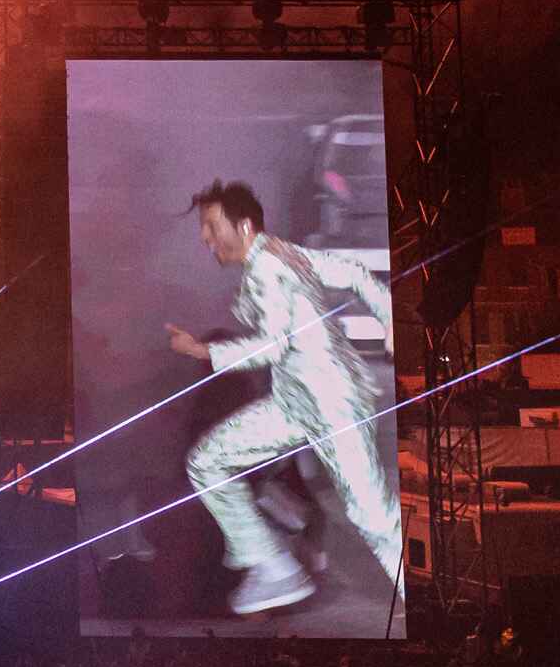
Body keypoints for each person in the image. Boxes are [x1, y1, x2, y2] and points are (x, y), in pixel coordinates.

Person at [167, 179, 402, 615]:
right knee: (208, 461)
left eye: (211, 226)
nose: (205, 238)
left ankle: (424, 597)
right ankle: (274, 568)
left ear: (244, 226)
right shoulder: (285, 253)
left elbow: (272, 345)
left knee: (373, 518)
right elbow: (352, 274)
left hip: (331, 403)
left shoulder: (266, 268)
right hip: (298, 403)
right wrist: (390, 318)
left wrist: (204, 351)